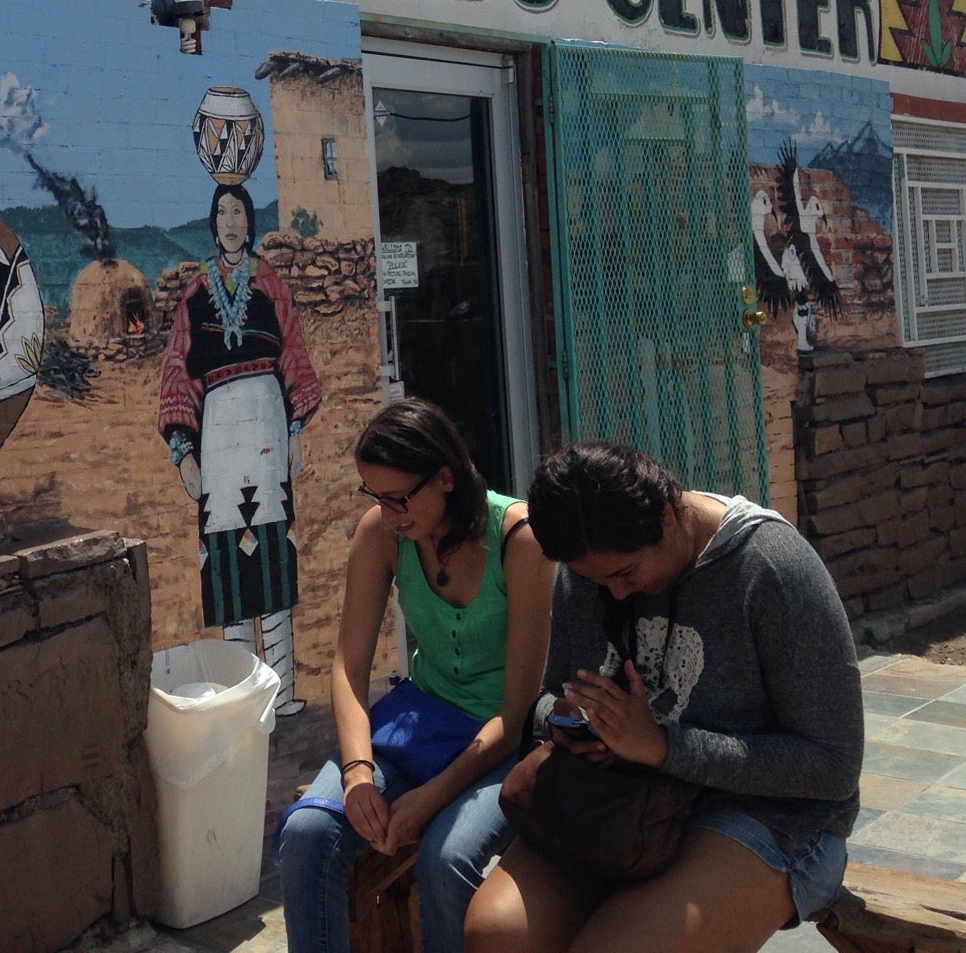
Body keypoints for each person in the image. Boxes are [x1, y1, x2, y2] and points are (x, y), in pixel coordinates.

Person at [464, 444, 862, 953]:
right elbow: (548, 698)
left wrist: (660, 747)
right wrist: (570, 722)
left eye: (627, 574)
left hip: (768, 816)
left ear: (670, 516)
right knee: (496, 936)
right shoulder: (589, 566)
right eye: (596, 580)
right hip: (619, 802)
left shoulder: (771, 569)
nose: (616, 593)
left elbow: (833, 766)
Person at [278, 399, 554, 953]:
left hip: (501, 739)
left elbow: (517, 708)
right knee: (307, 836)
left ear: (445, 478)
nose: (387, 514)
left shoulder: (519, 539)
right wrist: (357, 773)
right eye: (374, 497)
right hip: (420, 720)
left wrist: (430, 800)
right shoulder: (383, 534)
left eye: (398, 498)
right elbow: (348, 667)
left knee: (445, 859)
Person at [158, 180, 322, 714]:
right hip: (220, 435)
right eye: (222, 212)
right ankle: (244, 704)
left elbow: (293, 350)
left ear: (249, 223)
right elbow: (179, 372)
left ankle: (283, 692)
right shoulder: (195, 294)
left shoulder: (271, 284)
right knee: (227, 559)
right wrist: (185, 451)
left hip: (268, 432)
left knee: (273, 551)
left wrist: (297, 430)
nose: (231, 222)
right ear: (213, 222)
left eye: (239, 212)